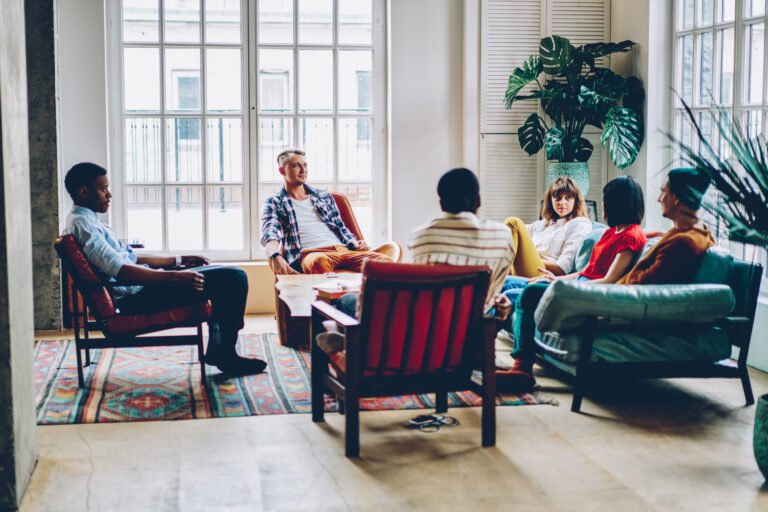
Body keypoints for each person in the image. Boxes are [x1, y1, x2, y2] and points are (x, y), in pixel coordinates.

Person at [63, 162, 266, 375]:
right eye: (103, 189)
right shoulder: (82, 225)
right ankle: (225, 355)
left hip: (144, 288)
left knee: (227, 274)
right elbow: (120, 270)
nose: (109, 194)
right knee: (233, 277)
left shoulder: (90, 220)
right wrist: (175, 277)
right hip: (137, 297)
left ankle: (222, 351)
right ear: (84, 192)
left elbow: (132, 257)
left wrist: (178, 260)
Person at [324, 168, 514, 352]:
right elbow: (492, 290)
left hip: (427, 340)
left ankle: (353, 344)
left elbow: (424, 293)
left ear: (441, 204)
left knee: (347, 301)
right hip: (470, 343)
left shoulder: (421, 237)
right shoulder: (503, 237)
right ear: (478, 200)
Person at [499, 175, 648, 388]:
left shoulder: (631, 236)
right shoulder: (611, 232)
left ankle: (522, 369)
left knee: (524, 295)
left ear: (619, 203)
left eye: (607, 201)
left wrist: (564, 286)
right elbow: (587, 270)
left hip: (583, 292)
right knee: (506, 286)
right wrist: (555, 279)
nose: (604, 206)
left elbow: (609, 279)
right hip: (576, 282)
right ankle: (479, 351)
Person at [261, 149, 390, 274]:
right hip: (312, 254)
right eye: (296, 166)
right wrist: (274, 255)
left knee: (385, 262)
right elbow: (269, 234)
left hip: (343, 250)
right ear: (282, 170)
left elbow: (340, 226)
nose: (303, 170)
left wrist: (356, 243)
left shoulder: (324, 196)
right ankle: (338, 295)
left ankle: (362, 296)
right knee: (319, 262)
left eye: (305, 165)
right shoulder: (274, 202)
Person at [499, 177, 593, 304]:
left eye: (568, 198)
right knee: (507, 230)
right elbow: (510, 236)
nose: (562, 203)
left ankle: (495, 275)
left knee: (514, 222)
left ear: (576, 201)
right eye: (558, 198)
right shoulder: (544, 224)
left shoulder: (579, 224)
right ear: (551, 200)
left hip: (543, 273)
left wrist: (528, 256)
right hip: (526, 268)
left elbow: (562, 268)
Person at [617, 167, 714, 285]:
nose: (659, 199)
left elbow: (642, 285)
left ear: (676, 198)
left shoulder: (682, 243)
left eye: (663, 192)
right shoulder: (694, 231)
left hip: (620, 299)